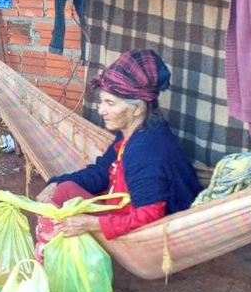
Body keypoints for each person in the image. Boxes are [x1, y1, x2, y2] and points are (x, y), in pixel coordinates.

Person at [35, 49, 202, 257]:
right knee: (64, 189)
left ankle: (46, 260)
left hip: (152, 237)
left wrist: (93, 223)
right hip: (125, 206)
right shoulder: (134, 133)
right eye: (102, 101)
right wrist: (57, 182)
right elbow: (101, 173)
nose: (101, 110)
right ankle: (53, 256)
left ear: (138, 109)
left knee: (64, 199)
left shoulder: (144, 152)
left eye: (110, 103)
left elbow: (150, 216)